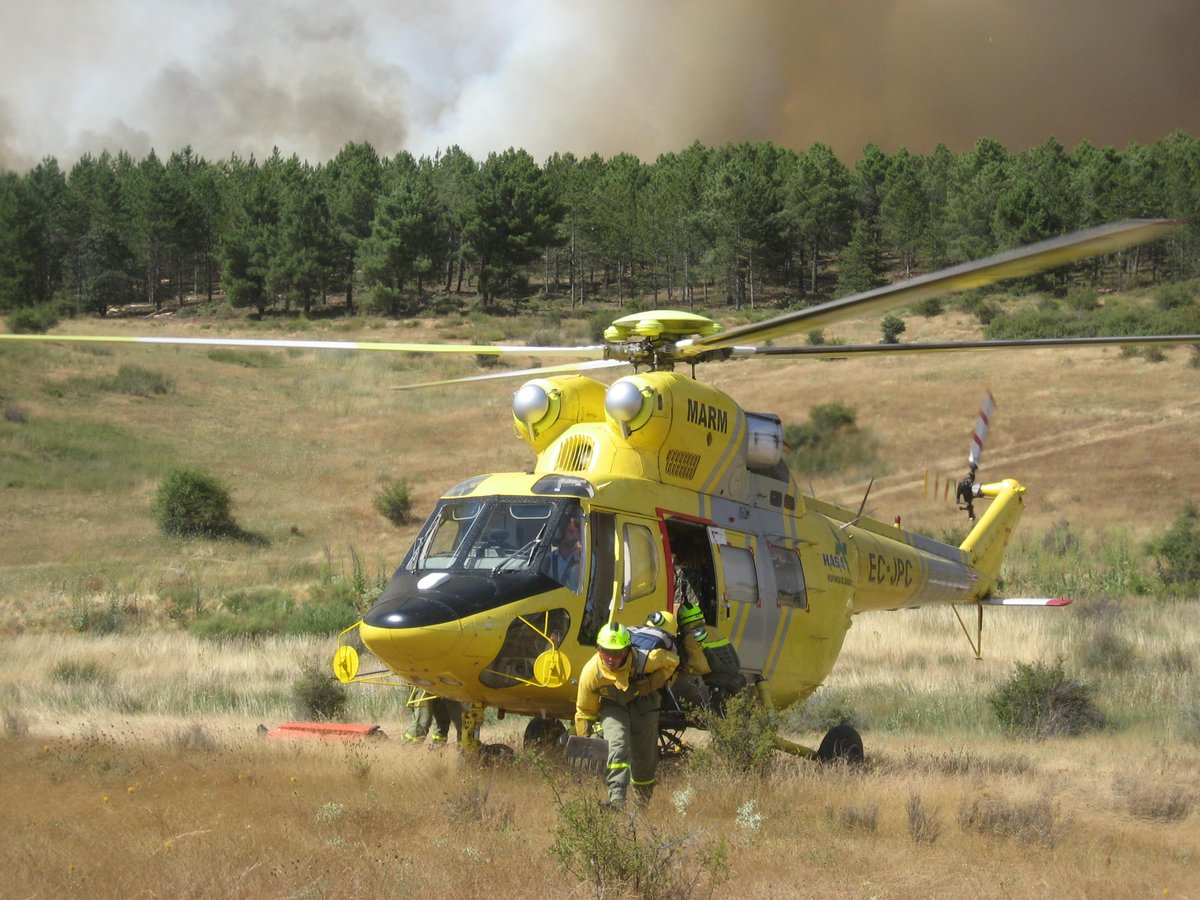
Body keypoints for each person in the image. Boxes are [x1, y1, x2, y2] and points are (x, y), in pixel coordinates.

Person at [574, 622, 679, 809]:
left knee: (644, 758)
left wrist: (652, 683)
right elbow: (584, 711)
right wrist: (585, 738)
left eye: (617, 653)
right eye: (605, 652)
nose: (610, 659)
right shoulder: (591, 673)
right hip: (613, 705)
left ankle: (642, 804)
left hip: (645, 703)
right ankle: (617, 801)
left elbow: (673, 661)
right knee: (617, 744)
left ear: (628, 651)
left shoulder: (648, 659)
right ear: (598, 649)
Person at [677, 603, 746, 714]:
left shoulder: (690, 638)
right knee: (737, 718)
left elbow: (701, 668)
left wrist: (687, 668)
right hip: (737, 680)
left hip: (720, 685)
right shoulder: (715, 631)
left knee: (722, 718)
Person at [547, 515, 583, 592]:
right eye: (571, 532)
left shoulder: (586, 558)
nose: (575, 536)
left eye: (577, 532)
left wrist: (579, 560)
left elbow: (581, 582)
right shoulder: (548, 559)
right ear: (561, 534)